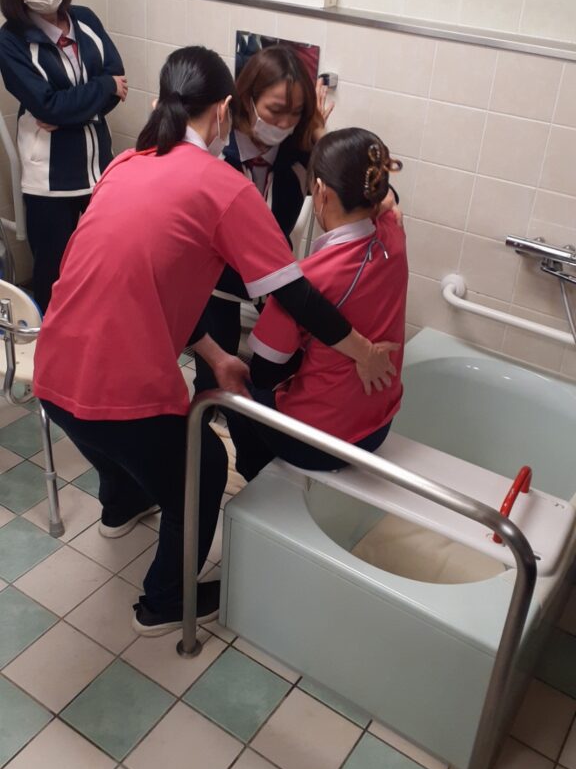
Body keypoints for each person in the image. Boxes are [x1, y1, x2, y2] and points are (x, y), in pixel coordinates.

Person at [33, 46, 398, 637]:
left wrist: (215, 355)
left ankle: (121, 505)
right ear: (228, 108)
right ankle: (164, 602)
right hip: (118, 389)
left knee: (115, 443)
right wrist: (363, 350)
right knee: (203, 469)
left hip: (52, 372)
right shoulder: (222, 185)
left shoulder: (126, 163)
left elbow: (142, 285)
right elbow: (295, 296)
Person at [227, 128, 408, 480]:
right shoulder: (394, 235)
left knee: (234, 390)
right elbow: (389, 199)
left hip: (315, 442)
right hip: (377, 426)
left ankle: (258, 480)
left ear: (321, 191)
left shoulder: (307, 280)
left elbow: (265, 373)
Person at [193, 44, 333, 393]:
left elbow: (355, 182)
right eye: (275, 110)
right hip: (216, 283)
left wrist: (318, 133)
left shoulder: (298, 152)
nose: (284, 123)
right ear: (248, 98)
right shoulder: (215, 148)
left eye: (296, 113)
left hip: (273, 279)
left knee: (277, 377)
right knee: (212, 382)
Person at [0, 0, 126, 311]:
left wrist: (74, 105)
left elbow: (117, 84)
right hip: (50, 182)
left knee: (103, 266)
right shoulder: (11, 41)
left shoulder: (85, 20)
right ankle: (50, 345)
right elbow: (47, 106)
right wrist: (98, 91)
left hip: (98, 171)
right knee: (54, 277)